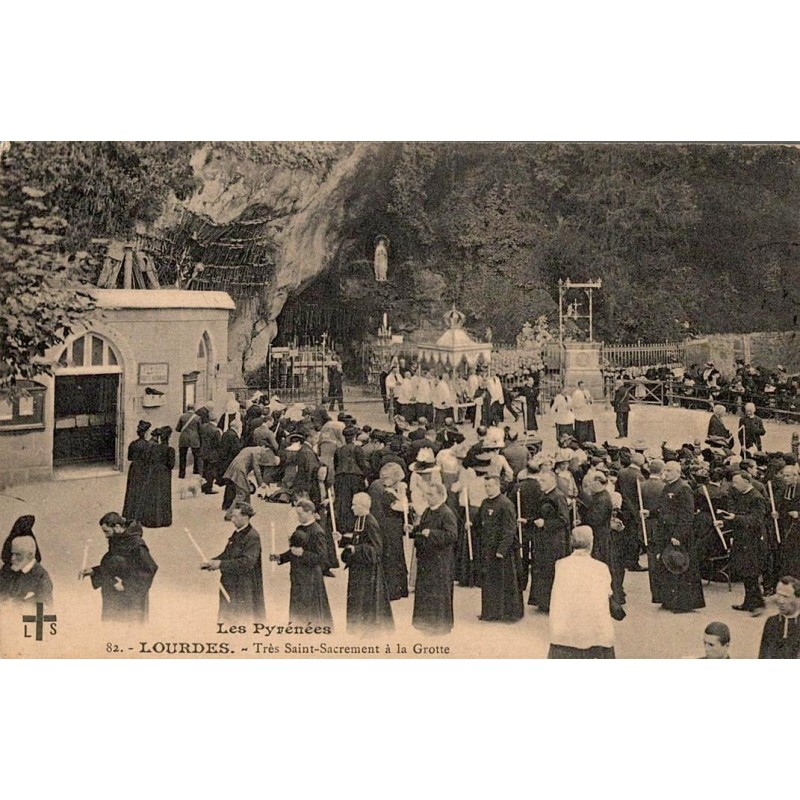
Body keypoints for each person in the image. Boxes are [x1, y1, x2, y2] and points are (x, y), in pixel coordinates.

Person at [548, 526, 616, 659]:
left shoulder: (560, 565)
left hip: (563, 632)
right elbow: (608, 593)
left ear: (571, 542)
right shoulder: (601, 568)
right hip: (595, 633)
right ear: (591, 543)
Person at [648, 460, 705, 613]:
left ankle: (683, 603)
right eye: (664, 470)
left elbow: (687, 515)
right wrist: (650, 513)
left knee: (681, 568)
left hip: (679, 534)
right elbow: (664, 509)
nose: (664, 473)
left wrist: (678, 535)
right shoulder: (667, 487)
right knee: (668, 566)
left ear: (676, 472)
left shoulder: (684, 488)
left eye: (668, 471)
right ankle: (669, 600)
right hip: (666, 533)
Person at [81, 513, 157, 623]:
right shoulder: (117, 539)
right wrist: (94, 571)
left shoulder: (136, 544)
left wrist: (126, 585)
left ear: (117, 527)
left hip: (130, 598)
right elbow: (114, 565)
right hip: (114, 594)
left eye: (106, 531)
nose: (106, 536)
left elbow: (149, 569)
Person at [271, 499, 332, 627]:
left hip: (310, 577)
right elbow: (294, 551)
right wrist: (280, 557)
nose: (298, 517)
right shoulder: (300, 527)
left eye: (301, 514)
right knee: (298, 605)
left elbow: (322, 558)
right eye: (297, 514)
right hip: (298, 575)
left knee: (309, 608)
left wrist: (303, 554)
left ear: (310, 512)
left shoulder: (317, 531)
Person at [201, 502, 265, 623]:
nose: (232, 519)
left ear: (245, 517)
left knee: (240, 619)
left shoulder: (252, 536)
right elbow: (227, 554)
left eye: (235, 516)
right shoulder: (237, 532)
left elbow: (247, 562)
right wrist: (212, 561)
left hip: (243, 587)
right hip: (230, 583)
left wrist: (220, 564)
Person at [340, 493, 394, 632]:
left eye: (354, 504)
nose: (351, 507)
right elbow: (357, 539)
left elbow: (376, 549)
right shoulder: (359, 519)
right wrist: (343, 539)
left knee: (365, 602)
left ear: (363, 506)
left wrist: (356, 549)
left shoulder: (370, 522)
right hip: (358, 568)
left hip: (368, 572)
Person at [411, 483, 458, 634]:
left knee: (438, 594)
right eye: (427, 494)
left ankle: (439, 626)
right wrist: (413, 530)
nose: (427, 497)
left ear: (439, 495)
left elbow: (452, 535)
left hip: (440, 562)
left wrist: (431, 533)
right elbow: (422, 529)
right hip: (426, 559)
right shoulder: (427, 511)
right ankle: (425, 623)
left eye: (430, 495)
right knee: (425, 592)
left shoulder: (446, 513)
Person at [477, 475, 524, 622]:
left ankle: (509, 614)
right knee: (489, 582)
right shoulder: (485, 503)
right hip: (488, 549)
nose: (487, 488)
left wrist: (501, 550)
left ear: (497, 486)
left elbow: (509, 529)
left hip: (503, 551)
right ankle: (490, 612)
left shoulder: (506, 504)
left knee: (506, 581)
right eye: (486, 486)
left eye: (490, 485)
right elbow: (479, 522)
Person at [721, 471, 766, 613]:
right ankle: (752, 601)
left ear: (747, 481)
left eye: (736, 482)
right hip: (743, 538)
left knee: (751, 571)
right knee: (746, 571)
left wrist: (735, 518)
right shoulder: (741, 495)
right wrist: (725, 522)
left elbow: (756, 520)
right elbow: (739, 517)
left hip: (752, 540)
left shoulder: (756, 497)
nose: (734, 486)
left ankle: (755, 603)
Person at [525, 469, 569, 612]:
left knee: (550, 570)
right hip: (543, 539)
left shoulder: (558, 497)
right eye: (539, 481)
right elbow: (539, 516)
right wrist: (528, 521)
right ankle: (542, 601)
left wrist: (546, 524)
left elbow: (564, 520)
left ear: (552, 481)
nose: (540, 483)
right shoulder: (544, 496)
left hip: (554, 541)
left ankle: (551, 602)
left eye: (543, 481)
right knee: (541, 569)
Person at [367, 462, 409, 601]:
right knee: (392, 556)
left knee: (393, 554)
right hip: (390, 528)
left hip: (392, 526)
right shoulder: (388, 493)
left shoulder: (385, 491)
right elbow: (402, 508)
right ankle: (393, 590)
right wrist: (402, 494)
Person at [0, 535, 53, 608]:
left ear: (30, 555)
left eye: (18, 555)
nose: (12, 558)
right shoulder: (7, 572)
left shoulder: (41, 578)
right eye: (12, 554)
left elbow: (42, 615)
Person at [758, 575, 800, 659]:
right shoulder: (771, 622)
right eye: (778, 595)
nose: (780, 601)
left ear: (798, 598)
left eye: (785, 597)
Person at [140, 426, 174, 528]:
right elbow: (171, 464)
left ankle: (152, 519)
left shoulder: (153, 447)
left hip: (153, 472)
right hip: (164, 473)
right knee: (164, 495)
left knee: (153, 495)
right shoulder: (169, 449)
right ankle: (164, 520)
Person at [221, 444, 273, 510]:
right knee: (243, 492)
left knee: (235, 487)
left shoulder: (249, 448)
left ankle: (245, 509)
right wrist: (261, 483)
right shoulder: (256, 452)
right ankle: (231, 513)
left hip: (234, 466)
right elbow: (256, 469)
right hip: (240, 469)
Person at [122, 420, 153, 521]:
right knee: (143, 490)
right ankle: (141, 514)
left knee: (132, 490)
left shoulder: (133, 444)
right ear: (145, 432)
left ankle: (130, 513)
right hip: (143, 468)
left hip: (134, 468)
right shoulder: (148, 445)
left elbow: (129, 458)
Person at [776, 463, 800, 580]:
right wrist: (776, 514)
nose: (784, 478)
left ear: (795, 476)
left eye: (787, 476)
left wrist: (798, 514)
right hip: (785, 526)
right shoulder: (783, 489)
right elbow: (780, 506)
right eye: (784, 476)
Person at [176, 404, 202, 478]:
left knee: (182, 456)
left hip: (184, 438)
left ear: (187, 408)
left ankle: (181, 474)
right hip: (194, 438)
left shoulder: (182, 417)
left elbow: (178, 429)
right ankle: (196, 472)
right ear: (194, 408)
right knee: (196, 456)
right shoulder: (197, 418)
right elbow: (200, 429)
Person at [199, 412, 222, 494]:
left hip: (204, 451)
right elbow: (219, 443)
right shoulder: (216, 430)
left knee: (204, 470)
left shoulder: (203, 427)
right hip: (212, 453)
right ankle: (209, 488)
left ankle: (203, 486)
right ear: (216, 419)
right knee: (211, 471)